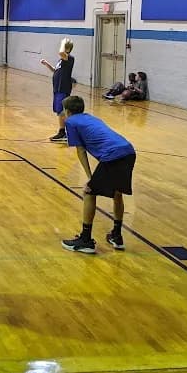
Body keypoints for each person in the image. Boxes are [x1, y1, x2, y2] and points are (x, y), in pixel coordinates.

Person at [60, 96, 136, 254]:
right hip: (128, 151)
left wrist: (90, 177)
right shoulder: (89, 118)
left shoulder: (71, 122)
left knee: (89, 192)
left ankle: (86, 240)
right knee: (117, 193)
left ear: (67, 111)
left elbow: (80, 150)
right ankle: (116, 235)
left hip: (113, 155)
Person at [40, 38, 75, 142]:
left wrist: (64, 42)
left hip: (63, 88)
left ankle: (62, 132)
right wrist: (47, 64)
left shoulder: (69, 58)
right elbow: (55, 70)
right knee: (59, 111)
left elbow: (60, 52)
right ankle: (64, 131)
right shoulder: (61, 60)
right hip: (57, 88)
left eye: (64, 45)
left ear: (67, 48)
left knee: (61, 111)